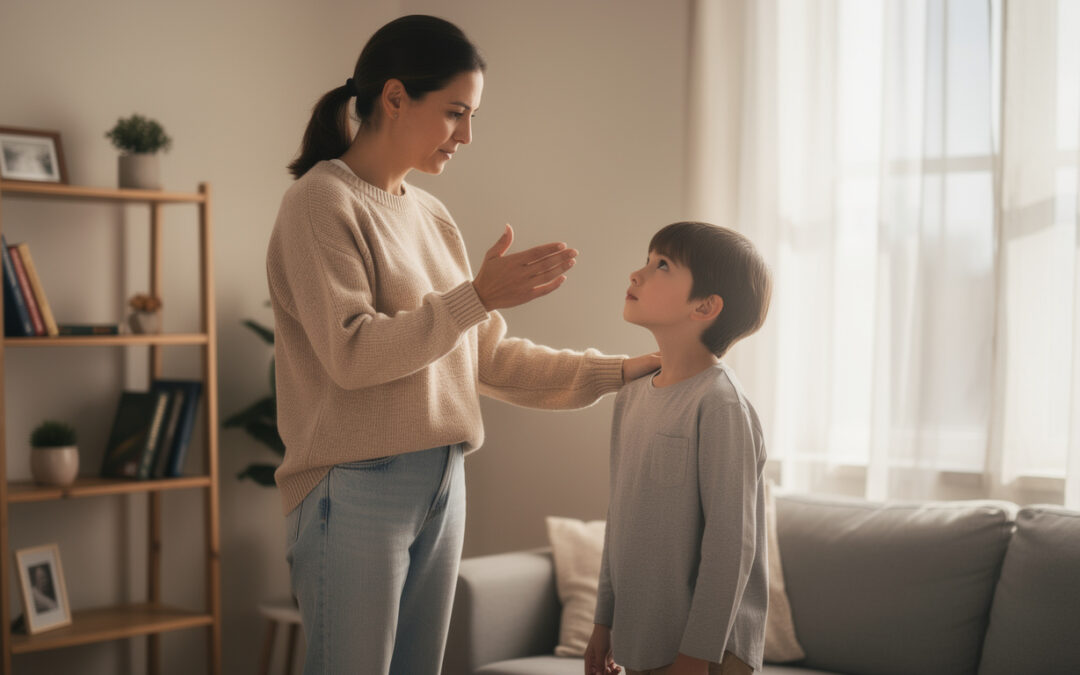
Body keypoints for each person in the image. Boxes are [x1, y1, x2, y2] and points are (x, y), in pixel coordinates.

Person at [265, 14, 659, 675]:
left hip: (443, 480)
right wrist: (478, 295)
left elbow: (488, 359)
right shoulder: (319, 203)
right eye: (455, 113)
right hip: (353, 485)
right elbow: (352, 354)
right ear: (394, 97)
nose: (467, 136)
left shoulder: (431, 215)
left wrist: (622, 370)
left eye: (472, 116)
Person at [585, 222, 773, 675]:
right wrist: (603, 622)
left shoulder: (721, 404)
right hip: (644, 639)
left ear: (705, 306)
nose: (637, 274)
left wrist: (698, 653)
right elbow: (621, 519)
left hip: (710, 653)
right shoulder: (631, 396)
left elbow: (732, 545)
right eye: (648, 261)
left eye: (662, 265)